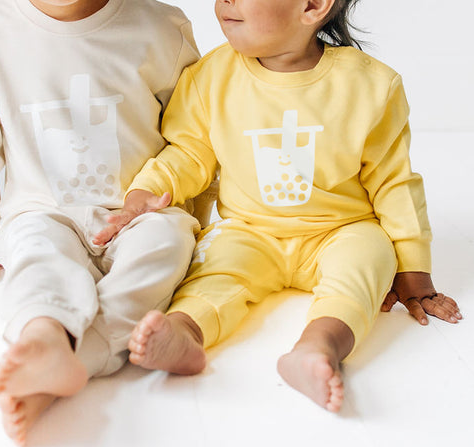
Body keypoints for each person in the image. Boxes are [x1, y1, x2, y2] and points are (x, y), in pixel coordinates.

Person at [93, 0, 462, 413]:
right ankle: (184, 332)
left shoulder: (371, 86)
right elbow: (188, 153)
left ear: (312, 6)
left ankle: (319, 345)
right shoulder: (211, 77)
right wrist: (147, 191)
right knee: (214, 270)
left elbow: (394, 182)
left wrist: (413, 269)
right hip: (249, 230)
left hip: (340, 230)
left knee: (370, 256)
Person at [0, 0, 217, 446]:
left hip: (137, 212)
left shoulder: (162, 27)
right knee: (37, 253)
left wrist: (192, 216)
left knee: (167, 242)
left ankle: (71, 355)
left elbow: (194, 134)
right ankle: (45, 330)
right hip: (41, 208)